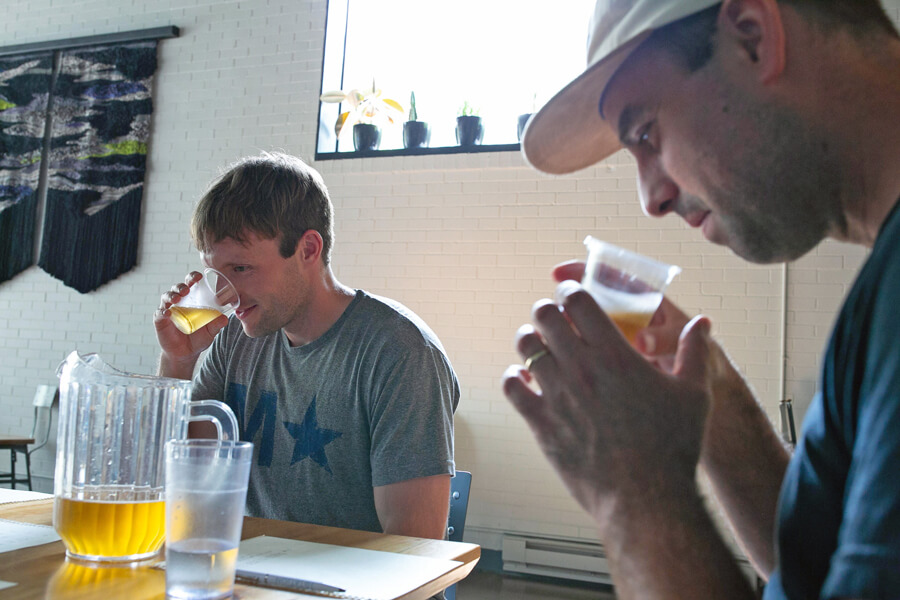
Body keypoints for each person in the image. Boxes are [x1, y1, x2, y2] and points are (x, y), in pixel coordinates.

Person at [504, 0, 900, 598]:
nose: (651, 198)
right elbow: (812, 568)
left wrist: (634, 490)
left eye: (645, 134)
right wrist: (702, 380)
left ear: (751, 36)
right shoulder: (881, 296)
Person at [154, 152, 459, 540]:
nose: (225, 295)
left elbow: (412, 548)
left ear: (308, 250)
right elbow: (182, 482)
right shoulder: (235, 337)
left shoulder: (400, 353)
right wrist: (177, 362)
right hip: (251, 577)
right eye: (216, 273)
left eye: (241, 269)